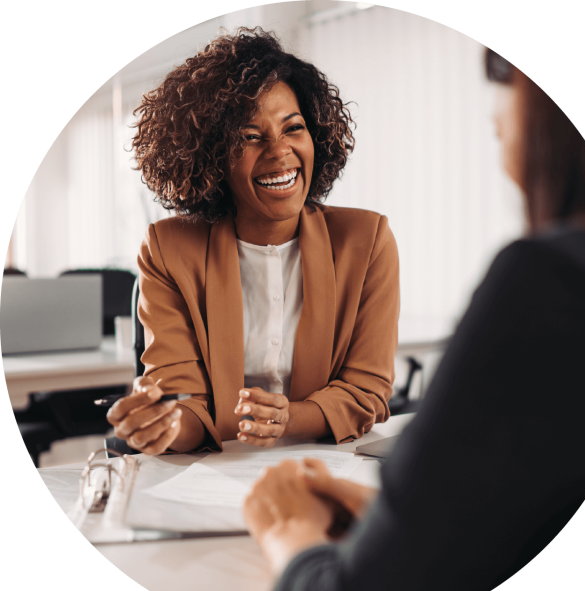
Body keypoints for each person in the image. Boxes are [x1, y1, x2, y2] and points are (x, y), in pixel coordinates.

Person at [242, 49, 585, 591]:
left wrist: (287, 531)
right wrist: (411, 526)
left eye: (504, 75)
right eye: (250, 136)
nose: (495, 108)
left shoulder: (554, 286)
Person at [105, 28, 399, 454]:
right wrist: (163, 424)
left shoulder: (366, 240)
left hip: (325, 463)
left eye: (292, 128)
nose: (279, 152)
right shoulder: (169, 249)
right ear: (211, 155)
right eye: (249, 136)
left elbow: (365, 391)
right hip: (212, 472)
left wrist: (287, 419)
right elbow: (185, 402)